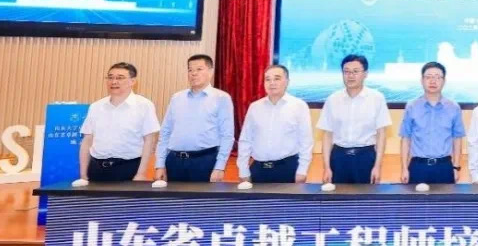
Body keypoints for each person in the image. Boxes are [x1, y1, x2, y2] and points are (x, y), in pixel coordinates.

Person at [155, 54, 235, 183]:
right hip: (174, 162)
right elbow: (165, 132)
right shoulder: (177, 98)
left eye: (199, 69)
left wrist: (220, 167)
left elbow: (227, 135)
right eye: (190, 70)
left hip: (205, 161)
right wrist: (159, 164)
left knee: (203, 197)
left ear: (211, 72)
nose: (193, 73)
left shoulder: (221, 98)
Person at [78, 62, 159, 183]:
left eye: (120, 78)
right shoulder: (96, 106)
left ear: (132, 81)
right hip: (96, 168)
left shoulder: (144, 105)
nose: (114, 81)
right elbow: (87, 141)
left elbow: (150, 140)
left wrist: (141, 173)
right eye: (110, 77)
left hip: (128, 168)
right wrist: (83, 174)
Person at [318, 54, 391, 184]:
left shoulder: (376, 98)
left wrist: (377, 166)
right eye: (346, 71)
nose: (350, 75)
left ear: (365, 74)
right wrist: (327, 167)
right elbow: (327, 135)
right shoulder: (332, 99)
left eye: (355, 71)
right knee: (338, 195)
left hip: (365, 157)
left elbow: (381, 134)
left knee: (366, 195)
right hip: (339, 157)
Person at [236, 64, 313, 184]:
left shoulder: (299, 106)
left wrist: (302, 170)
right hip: (258, 169)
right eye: (267, 79)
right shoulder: (255, 107)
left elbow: (306, 141)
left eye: (277, 78)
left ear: (287, 82)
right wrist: (243, 170)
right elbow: (245, 140)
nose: (272, 83)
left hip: (287, 168)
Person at [399, 62, 465, 184]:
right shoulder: (412, 106)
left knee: (445, 197)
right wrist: (404, 168)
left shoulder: (453, 107)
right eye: (428, 77)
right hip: (418, 166)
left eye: (437, 77)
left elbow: (457, 139)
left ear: (444, 81)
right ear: (422, 80)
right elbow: (405, 139)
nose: (433, 81)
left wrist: (456, 167)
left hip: (444, 166)